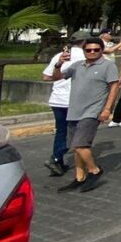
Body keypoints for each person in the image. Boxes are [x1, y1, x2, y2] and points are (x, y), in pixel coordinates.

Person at [51, 37, 121, 192]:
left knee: (80, 144)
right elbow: (56, 77)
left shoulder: (108, 66)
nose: (92, 52)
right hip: (75, 110)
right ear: (84, 51)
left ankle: (95, 170)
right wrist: (59, 63)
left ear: (102, 50)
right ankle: (79, 176)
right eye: (89, 50)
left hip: (92, 111)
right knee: (75, 147)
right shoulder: (77, 65)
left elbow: (114, 88)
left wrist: (107, 109)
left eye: (96, 49)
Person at [41, 30, 87, 176]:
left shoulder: (60, 56)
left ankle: (58, 160)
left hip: (57, 99)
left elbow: (46, 77)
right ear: (85, 42)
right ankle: (56, 158)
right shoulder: (88, 57)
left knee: (62, 131)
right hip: (75, 100)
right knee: (75, 133)